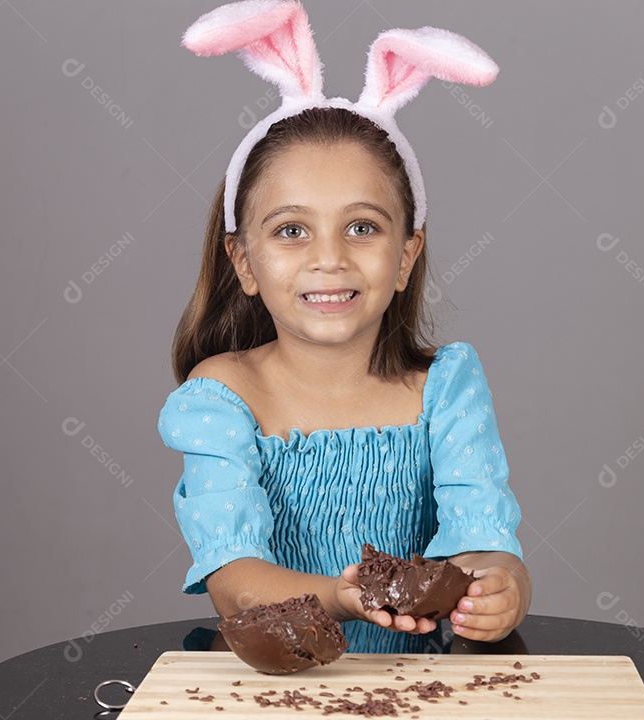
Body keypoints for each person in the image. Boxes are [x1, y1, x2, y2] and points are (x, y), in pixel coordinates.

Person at [157, 0, 530, 654]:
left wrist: (500, 587)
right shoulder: (222, 396)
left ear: (405, 256)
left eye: (362, 227)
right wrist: (342, 595)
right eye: (292, 230)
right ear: (243, 260)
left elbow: (484, 539)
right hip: (272, 692)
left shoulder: (446, 387)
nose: (328, 258)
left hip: (416, 693)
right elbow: (233, 578)